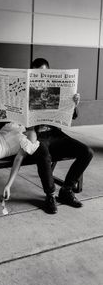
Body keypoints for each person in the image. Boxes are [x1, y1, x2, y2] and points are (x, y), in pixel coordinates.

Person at [27, 58, 94, 213]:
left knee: (87, 152)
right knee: (44, 155)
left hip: (55, 135)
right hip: (37, 137)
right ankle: (50, 196)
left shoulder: (58, 88)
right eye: (37, 73)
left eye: (43, 72)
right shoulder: (26, 91)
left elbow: (73, 115)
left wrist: (74, 104)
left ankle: (66, 190)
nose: (41, 75)